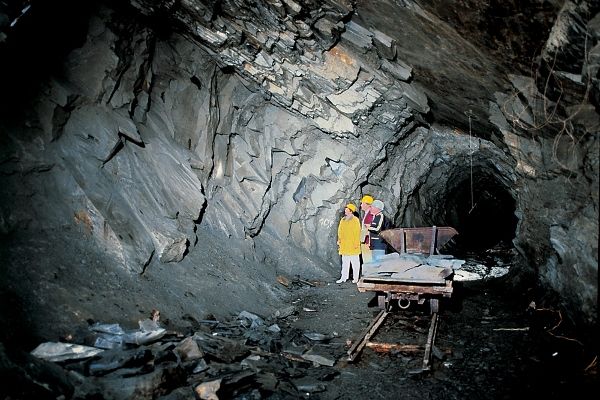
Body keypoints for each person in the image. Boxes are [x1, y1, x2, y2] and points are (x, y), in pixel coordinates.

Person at [336, 203, 361, 284]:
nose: (345, 211)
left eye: (347, 210)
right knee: (345, 263)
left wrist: (356, 244)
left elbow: (357, 233)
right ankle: (343, 277)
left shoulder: (355, 220)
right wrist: (339, 240)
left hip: (353, 245)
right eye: (345, 209)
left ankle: (356, 278)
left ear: (351, 211)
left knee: (355, 263)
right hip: (345, 245)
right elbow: (340, 231)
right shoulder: (343, 220)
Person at [359, 195, 374, 263]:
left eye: (362, 203)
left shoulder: (370, 215)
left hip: (367, 242)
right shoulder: (368, 213)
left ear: (367, 204)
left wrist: (368, 242)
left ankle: (370, 273)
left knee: (368, 262)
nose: (361, 205)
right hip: (366, 241)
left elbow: (369, 230)